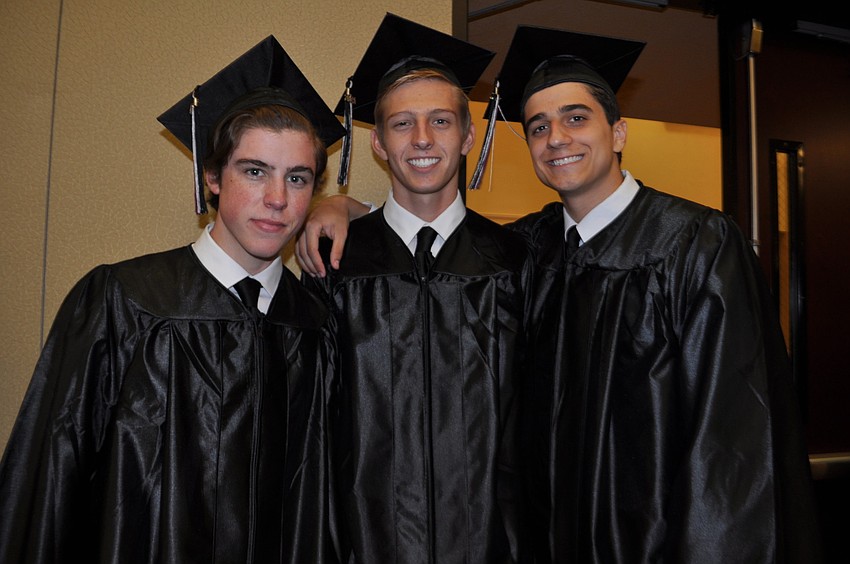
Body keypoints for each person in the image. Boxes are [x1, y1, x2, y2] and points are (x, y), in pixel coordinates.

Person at [296, 25, 823, 564]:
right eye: (540, 126)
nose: (558, 139)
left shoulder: (695, 244)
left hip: (657, 539)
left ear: (618, 132)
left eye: (576, 118)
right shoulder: (531, 249)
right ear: (380, 143)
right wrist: (341, 207)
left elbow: (732, 440)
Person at [0, 36, 344, 564]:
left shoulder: (316, 327)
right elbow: (52, 478)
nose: (278, 199)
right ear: (212, 178)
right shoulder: (124, 301)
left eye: (296, 178)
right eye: (255, 171)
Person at [301, 13, 533, 564]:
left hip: (493, 544)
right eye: (402, 125)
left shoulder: (519, 261)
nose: (423, 139)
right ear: (378, 143)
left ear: (469, 135)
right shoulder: (333, 261)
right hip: (366, 542)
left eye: (440, 121)